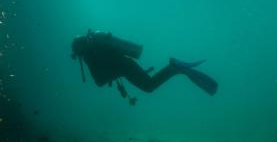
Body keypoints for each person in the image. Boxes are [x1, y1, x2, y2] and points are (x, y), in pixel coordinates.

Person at [71, 30, 218, 105]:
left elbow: (99, 81)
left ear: (80, 49)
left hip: (126, 68)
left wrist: (113, 74)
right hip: (127, 65)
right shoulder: (94, 48)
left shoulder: (89, 55)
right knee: (149, 85)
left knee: (149, 87)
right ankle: (173, 68)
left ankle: (173, 68)